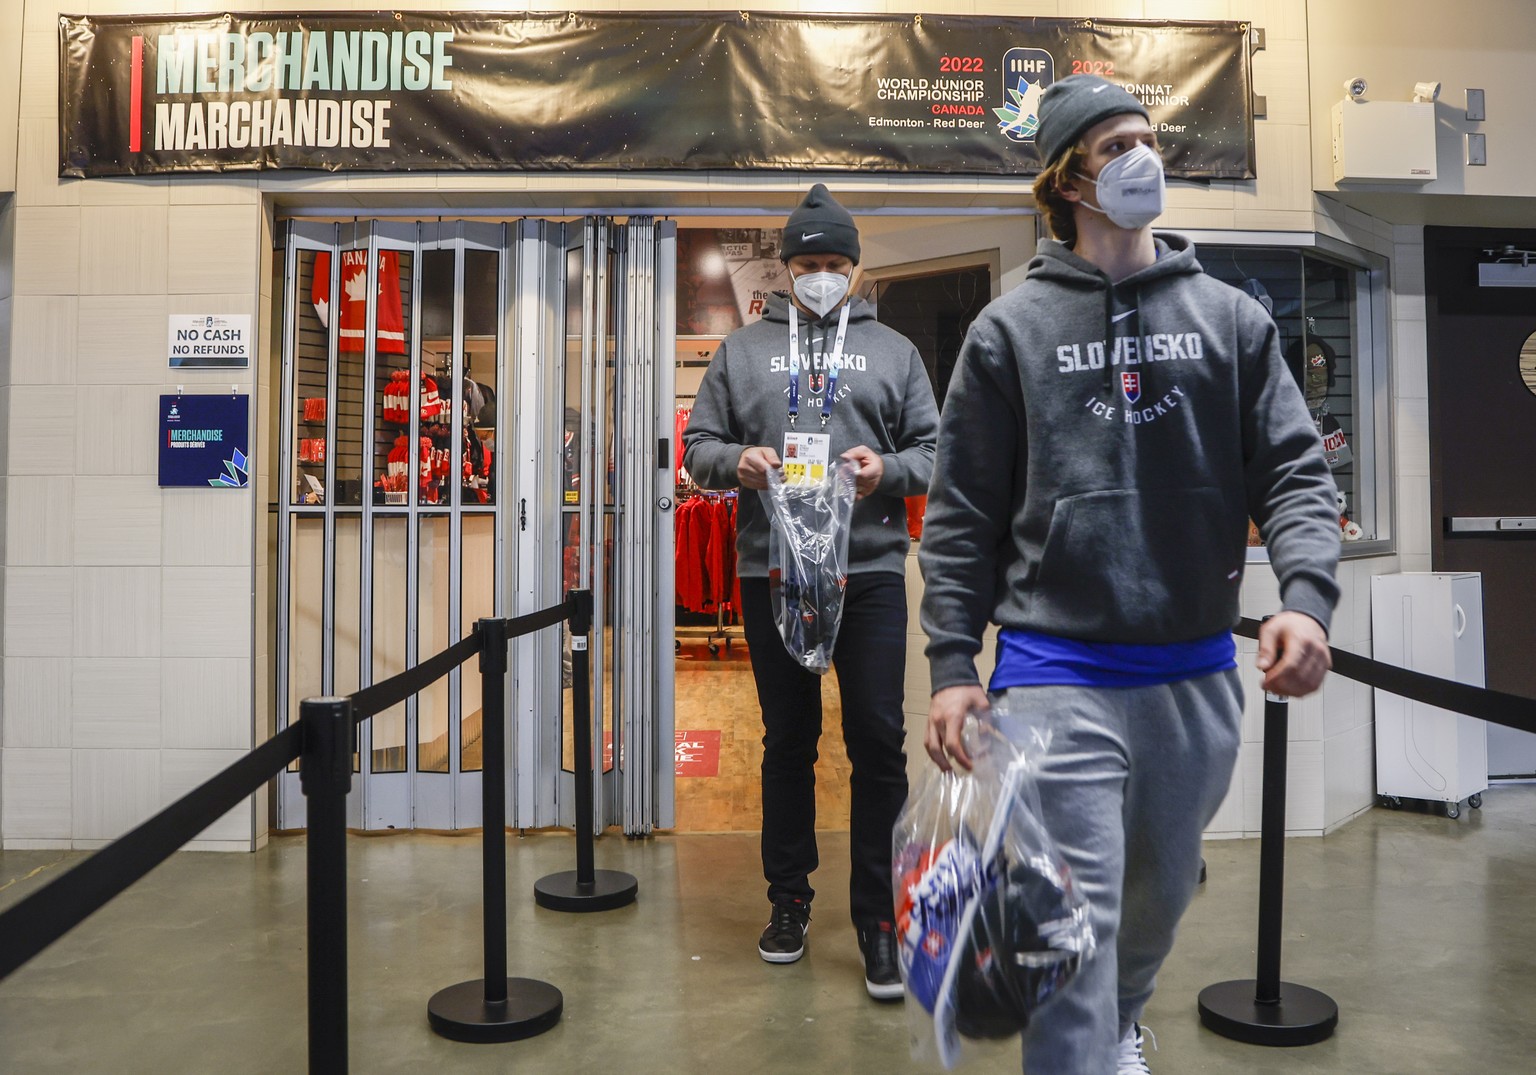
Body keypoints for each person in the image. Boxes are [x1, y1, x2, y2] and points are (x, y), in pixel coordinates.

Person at [918, 75, 1340, 1073]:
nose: (1142, 158)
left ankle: (1117, 1028)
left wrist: (1307, 598)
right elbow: (963, 513)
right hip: (1054, 674)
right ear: (1068, 178)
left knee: (1151, 907)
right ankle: (1085, 1042)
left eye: (1149, 139)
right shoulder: (1007, 332)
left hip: (1193, 675)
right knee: (1073, 931)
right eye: (1115, 145)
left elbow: (1293, 469)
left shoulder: (1233, 320)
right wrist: (950, 661)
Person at [684, 184, 940, 1000]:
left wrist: (887, 472)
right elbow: (697, 448)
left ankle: (879, 918)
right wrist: (739, 463)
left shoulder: (896, 352)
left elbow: (935, 452)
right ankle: (788, 898)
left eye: (834, 263)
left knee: (876, 741)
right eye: (808, 263)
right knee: (787, 741)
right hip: (774, 572)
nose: (821, 275)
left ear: (855, 268)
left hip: (866, 571)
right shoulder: (742, 351)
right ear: (787, 267)